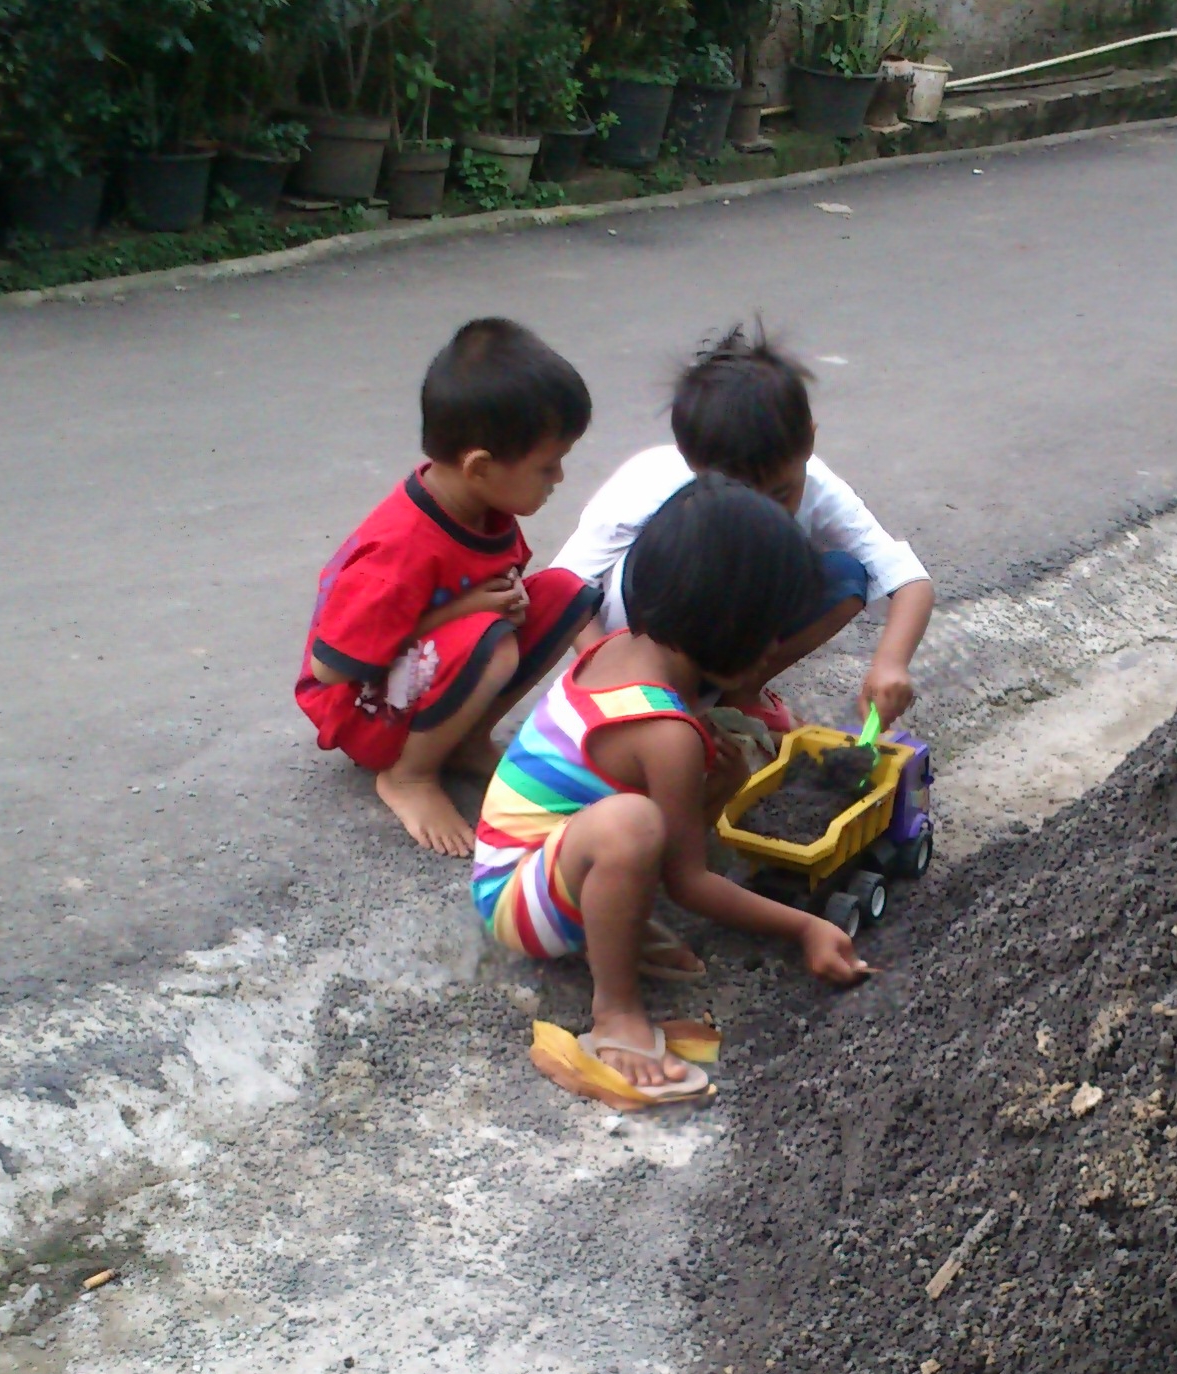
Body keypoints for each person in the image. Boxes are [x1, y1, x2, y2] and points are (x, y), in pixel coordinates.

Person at [474, 479, 875, 1096]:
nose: (774, 648)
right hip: (516, 896)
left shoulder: (621, 647)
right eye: (768, 632)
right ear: (728, 629)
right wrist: (804, 926)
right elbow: (690, 884)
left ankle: (612, 915)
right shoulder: (665, 732)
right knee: (633, 824)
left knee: (710, 765)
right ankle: (617, 1013)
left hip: (545, 861)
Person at [297, 317, 606, 857]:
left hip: (430, 674)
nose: (557, 479)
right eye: (548, 466)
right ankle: (409, 776)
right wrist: (458, 614)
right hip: (362, 708)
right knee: (491, 642)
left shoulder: (483, 509)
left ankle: (460, 742)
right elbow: (330, 671)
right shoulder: (398, 552)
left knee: (566, 593)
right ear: (480, 467)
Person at [549, 323, 935, 736]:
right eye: (742, 494)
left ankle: (733, 699)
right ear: (691, 460)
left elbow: (906, 578)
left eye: (781, 493)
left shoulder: (817, 483)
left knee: (846, 577)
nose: (762, 512)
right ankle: (671, 700)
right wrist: (608, 675)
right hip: (643, 647)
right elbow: (563, 586)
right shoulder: (651, 483)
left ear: (808, 440)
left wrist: (890, 663)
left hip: (728, 645)